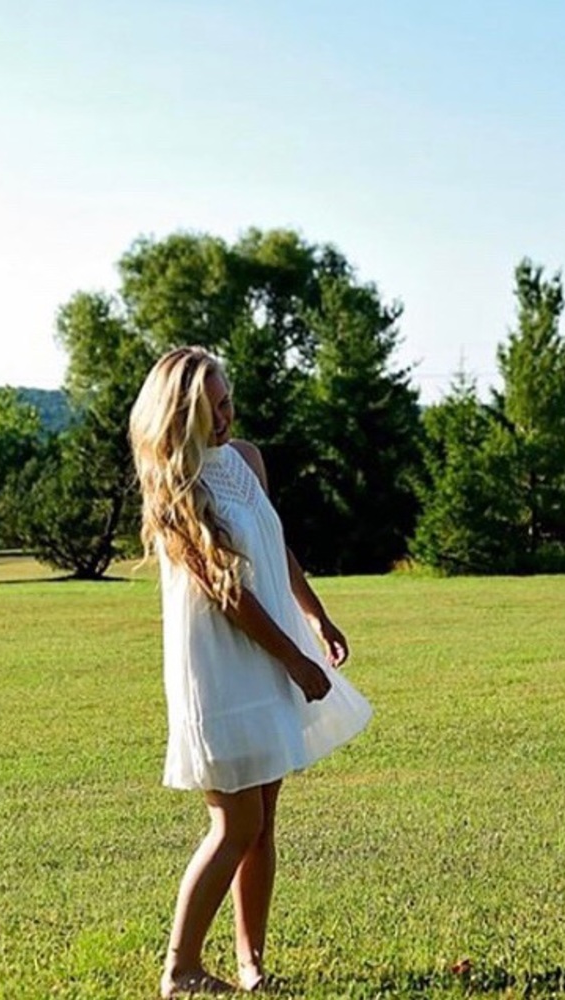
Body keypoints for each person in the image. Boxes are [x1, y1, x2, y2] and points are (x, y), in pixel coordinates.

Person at [129, 346, 373, 997]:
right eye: (213, 407)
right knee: (234, 824)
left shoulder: (247, 461)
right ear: (180, 415)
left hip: (273, 651)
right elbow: (225, 592)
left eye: (229, 399)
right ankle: (180, 969)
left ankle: (251, 964)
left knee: (263, 819)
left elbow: (273, 542)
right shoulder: (173, 491)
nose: (227, 415)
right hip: (222, 666)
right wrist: (294, 660)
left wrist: (315, 619)